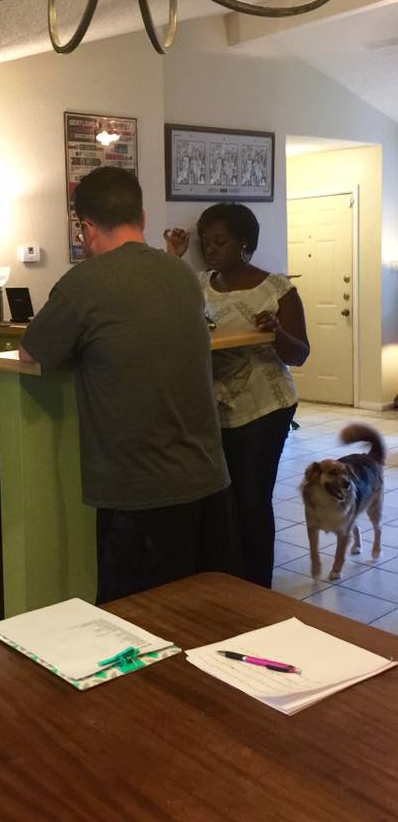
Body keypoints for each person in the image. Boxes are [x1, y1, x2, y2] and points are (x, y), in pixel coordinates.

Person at [18, 166, 241, 604]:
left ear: (85, 227)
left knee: (136, 623)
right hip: (208, 477)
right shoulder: (182, 276)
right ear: (142, 216)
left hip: (141, 491)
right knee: (207, 616)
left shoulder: (84, 283)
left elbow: (32, 352)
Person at [164, 203, 309, 587]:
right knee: (220, 503)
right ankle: (228, 586)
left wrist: (276, 332)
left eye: (220, 242)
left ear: (244, 243)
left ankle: (257, 589)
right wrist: (173, 256)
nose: (211, 250)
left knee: (252, 501)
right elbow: (162, 305)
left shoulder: (276, 289)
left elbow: (299, 354)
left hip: (263, 407)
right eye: (206, 243)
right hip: (213, 409)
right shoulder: (198, 284)